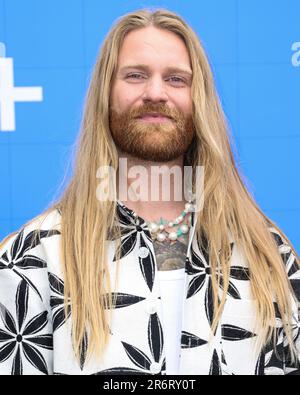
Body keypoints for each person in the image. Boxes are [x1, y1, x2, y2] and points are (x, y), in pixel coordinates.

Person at [0, 8, 299, 375]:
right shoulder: (33, 259)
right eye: (136, 75)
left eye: (175, 79)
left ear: (199, 99)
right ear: (106, 95)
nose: (155, 92)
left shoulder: (269, 257)